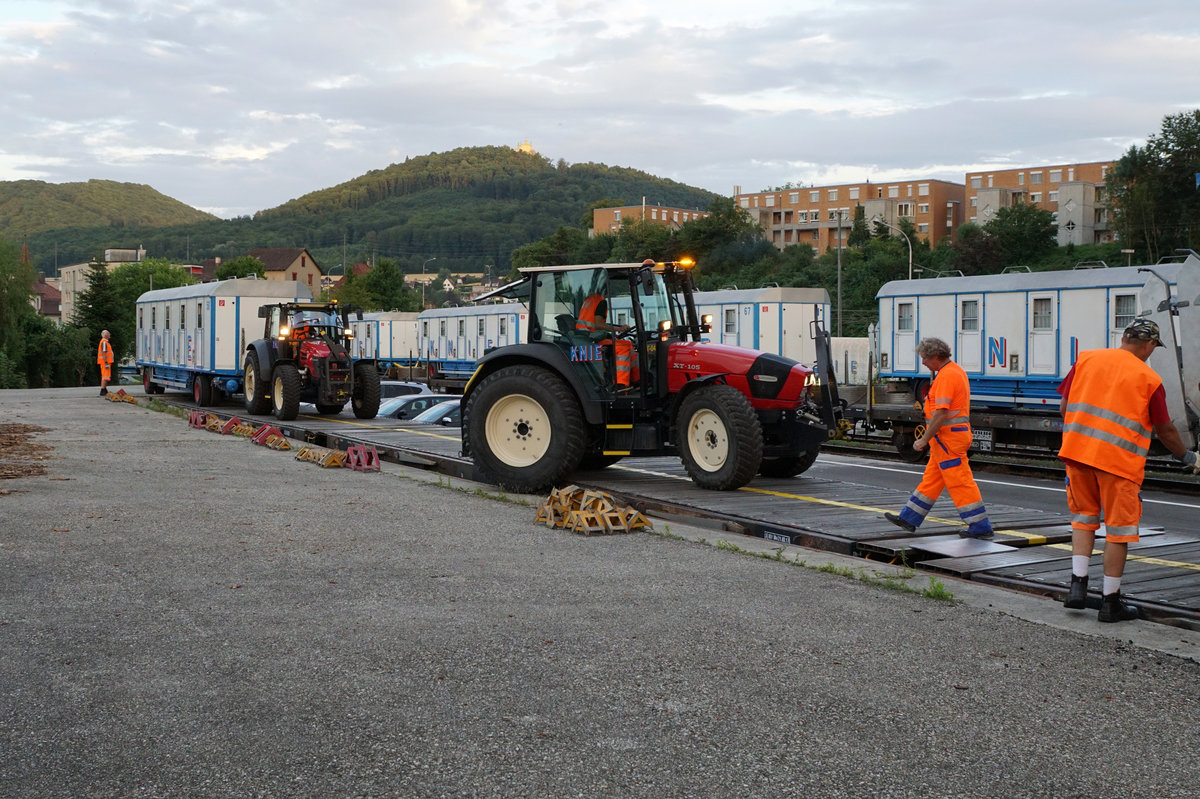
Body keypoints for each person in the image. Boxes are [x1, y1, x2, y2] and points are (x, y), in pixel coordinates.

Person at [1058, 319, 1199, 622]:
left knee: (1083, 520)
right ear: (1149, 345)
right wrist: (1188, 456)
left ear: (1124, 338)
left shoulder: (1087, 359)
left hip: (1077, 454)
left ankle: (1077, 588)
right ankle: (1111, 603)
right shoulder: (1148, 378)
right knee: (1118, 532)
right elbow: (1165, 429)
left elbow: (1064, 406)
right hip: (1118, 464)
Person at [884, 337, 995, 539]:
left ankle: (980, 526)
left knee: (960, 482)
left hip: (948, 440)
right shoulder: (953, 371)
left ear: (936, 356)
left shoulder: (946, 377)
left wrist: (923, 439)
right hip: (947, 440)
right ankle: (909, 518)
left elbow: (941, 413)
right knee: (932, 481)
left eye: (925, 358)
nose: (923, 362)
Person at [576, 294, 634, 387]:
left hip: (584, 337)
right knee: (623, 347)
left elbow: (593, 322)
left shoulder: (589, 300)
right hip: (593, 338)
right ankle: (621, 384)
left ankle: (636, 379)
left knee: (627, 343)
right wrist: (619, 329)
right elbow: (598, 324)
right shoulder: (601, 301)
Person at [97, 329, 114, 396]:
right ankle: (103, 390)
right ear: (105, 335)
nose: (109, 335)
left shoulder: (105, 342)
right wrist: (106, 362)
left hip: (105, 362)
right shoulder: (104, 342)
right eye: (108, 334)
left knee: (105, 376)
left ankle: (104, 389)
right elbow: (104, 352)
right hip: (105, 362)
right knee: (105, 376)